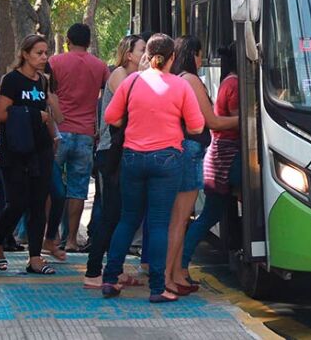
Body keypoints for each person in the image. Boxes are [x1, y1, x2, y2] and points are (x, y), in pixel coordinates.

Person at [101, 34, 204, 303]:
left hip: (132, 158)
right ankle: (158, 288)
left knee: (128, 218)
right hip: (167, 160)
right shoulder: (181, 86)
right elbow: (197, 127)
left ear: (147, 55)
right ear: (172, 58)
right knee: (159, 223)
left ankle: (110, 280)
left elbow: (111, 116)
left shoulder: (132, 81)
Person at [164, 36, 239, 295]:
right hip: (192, 150)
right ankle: (176, 273)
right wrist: (253, 119)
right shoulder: (190, 79)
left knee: (182, 218)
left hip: (185, 150)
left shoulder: (176, 78)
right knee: (181, 218)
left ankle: (175, 272)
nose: (200, 60)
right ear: (191, 54)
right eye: (199, 55)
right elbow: (213, 122)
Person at [0, 34, 58, 275]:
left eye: (46, 53)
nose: (44, 57)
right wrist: (32, 115)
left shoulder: (43, 81)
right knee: (17, 202)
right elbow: (1, 114)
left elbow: (50, 114)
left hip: (41, 148)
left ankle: (35, 257)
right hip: (16, 149)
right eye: (39, 53)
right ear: (25, 54)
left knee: (39, 203)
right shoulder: (12, 80)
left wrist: (54, 136)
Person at [83, 35, 146, 289]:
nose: (145, 54)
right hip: (111, 153)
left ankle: (115, 268)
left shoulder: (134, 76)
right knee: (109, 214)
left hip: (125, 152)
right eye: (142, 49)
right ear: (128, 54)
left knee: (122, 214)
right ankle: (92, 271)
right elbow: (133, 103)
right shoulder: (120, 75)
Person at [48, 23, 110, 253]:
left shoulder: (55, 62)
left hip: (58, 131)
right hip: (85, 134)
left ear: (67, 40)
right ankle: (72, 239)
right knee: (78, 188)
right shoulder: (100, 66)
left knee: (51, 186)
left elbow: (48, 91)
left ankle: (51, 236)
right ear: (89, 41)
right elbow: (106, 96)